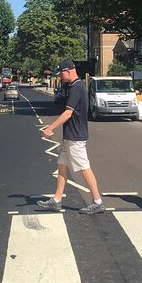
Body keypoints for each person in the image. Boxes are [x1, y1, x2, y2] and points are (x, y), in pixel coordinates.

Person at [37, 60, 106, 214]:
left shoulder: (77, 88)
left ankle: (97, 201)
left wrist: (50, 128)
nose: (60, 77)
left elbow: (68, 113)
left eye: (61, 73)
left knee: (83, 167)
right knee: (62, 165)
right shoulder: (73, 86)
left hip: (76, 137)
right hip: (70, 136)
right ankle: (56, 200)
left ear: (68, 71)